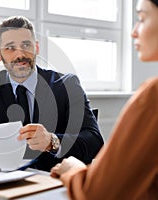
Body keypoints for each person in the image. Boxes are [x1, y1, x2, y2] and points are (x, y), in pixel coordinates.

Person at [0, 16, 104, 172]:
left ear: (36, 47)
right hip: (5, 181)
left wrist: (52, 141)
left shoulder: (67, 84)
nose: (20, 54)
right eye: (10, 48)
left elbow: (95, 140)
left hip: (51, 180)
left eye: (26, 45)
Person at [50, 0, 158, 199]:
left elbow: (98, 194)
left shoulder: (153, 96)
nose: (134, 32)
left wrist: (74, 170)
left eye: (142, 18)